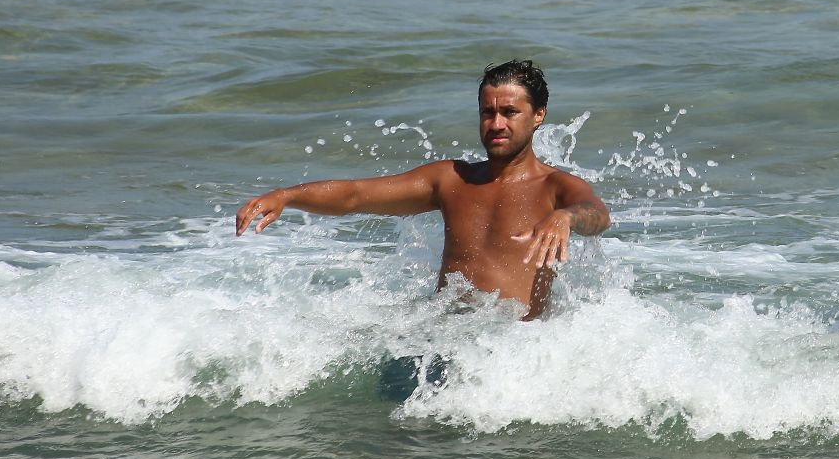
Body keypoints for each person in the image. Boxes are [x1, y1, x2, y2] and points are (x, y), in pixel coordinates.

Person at [236, 60, 611, 320]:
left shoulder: (555, 186)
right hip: (445, 338)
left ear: (538, 116)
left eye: (509, 112)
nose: (496, 123)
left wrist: (565, 216)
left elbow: (597, 215)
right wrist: (287, 195)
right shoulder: (450, 180)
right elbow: (355, 195)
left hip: (514, 351)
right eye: (487, 112)